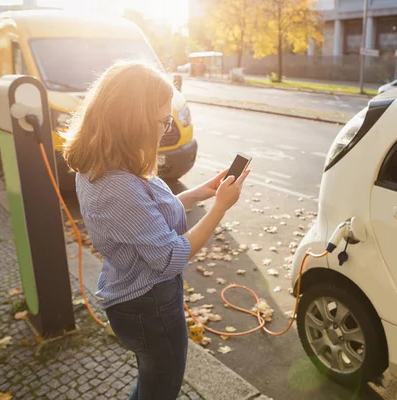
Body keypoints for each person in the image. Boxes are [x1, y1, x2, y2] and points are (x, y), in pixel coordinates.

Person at [62, 61, 250, 400]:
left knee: (152, 382)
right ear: (132, 120)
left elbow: (144, 218)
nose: (165, 130)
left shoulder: (104, 161)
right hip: (148, 307)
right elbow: (171, 256)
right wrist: (220, 207)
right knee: (160, 390)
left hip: (139, 301)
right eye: (163, 122)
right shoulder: (116, 185)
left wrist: (199, 194)